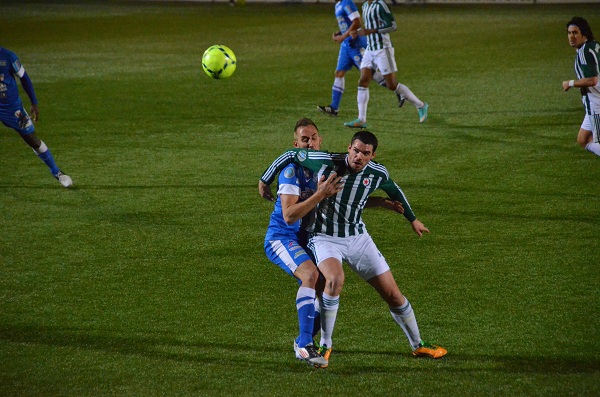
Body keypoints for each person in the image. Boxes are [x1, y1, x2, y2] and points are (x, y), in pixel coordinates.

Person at [261, 130, 447, 366]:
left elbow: (393, 191)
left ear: (372, 155)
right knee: (333, 280)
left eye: (365, 153)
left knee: (393, 294)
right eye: (356, 150)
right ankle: (325, 345)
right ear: (348, 148)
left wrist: (412, 219)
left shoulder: (376, 173)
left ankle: (418, 344)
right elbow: (289, 154)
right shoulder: (326, 162)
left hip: (358, 239)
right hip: (324, 238)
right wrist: (264, 180)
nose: (359, 156)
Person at [263, 118, 342, 368]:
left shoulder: (324, 169)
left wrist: (381, 203)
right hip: (282, 237)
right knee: (309, 275)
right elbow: (288, 215)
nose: (310, 143)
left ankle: (302, 340)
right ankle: (306, 345)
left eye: (314, 137)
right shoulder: (291, 171)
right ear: (296, 144)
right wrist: (320, 194)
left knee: (327, 286)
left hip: (307, 238)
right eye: (304, 139)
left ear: (320, 140)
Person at [343, 0, 428, 128]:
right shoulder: (365, 5)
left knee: (392, 85)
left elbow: (393, 25)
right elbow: (368, 27)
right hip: (370, 49)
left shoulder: (380, 4)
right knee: (363, 80)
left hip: (383, 49)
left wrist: (372, 31)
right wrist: (358, 31)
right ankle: (361, 119)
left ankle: (421, 105)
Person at [317, 0, 404, 118]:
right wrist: (341, 32)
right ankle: (334, 107)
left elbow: (357, 22)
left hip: (355, 45)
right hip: (346, 46)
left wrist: (343, 36)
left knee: (369, 74)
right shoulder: (338, 4)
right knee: (339, 73)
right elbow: (349, 24)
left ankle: (398, 90)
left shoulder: (347, 3)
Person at [0, 47, 72, 187]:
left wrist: (34, 102)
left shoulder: (8, 56)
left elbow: (24, 77)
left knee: (32, 140)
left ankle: (57, 172)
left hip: (12, 108)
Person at [561, 17, 600, 157]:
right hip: (592, 105)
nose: (571, 36)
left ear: (584, 33)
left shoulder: (584, 52)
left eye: (575, 33)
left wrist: (570, 83)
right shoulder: (593, 46)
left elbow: (592, 80)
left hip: (597, 105)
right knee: (583, 139)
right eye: (569, 33)